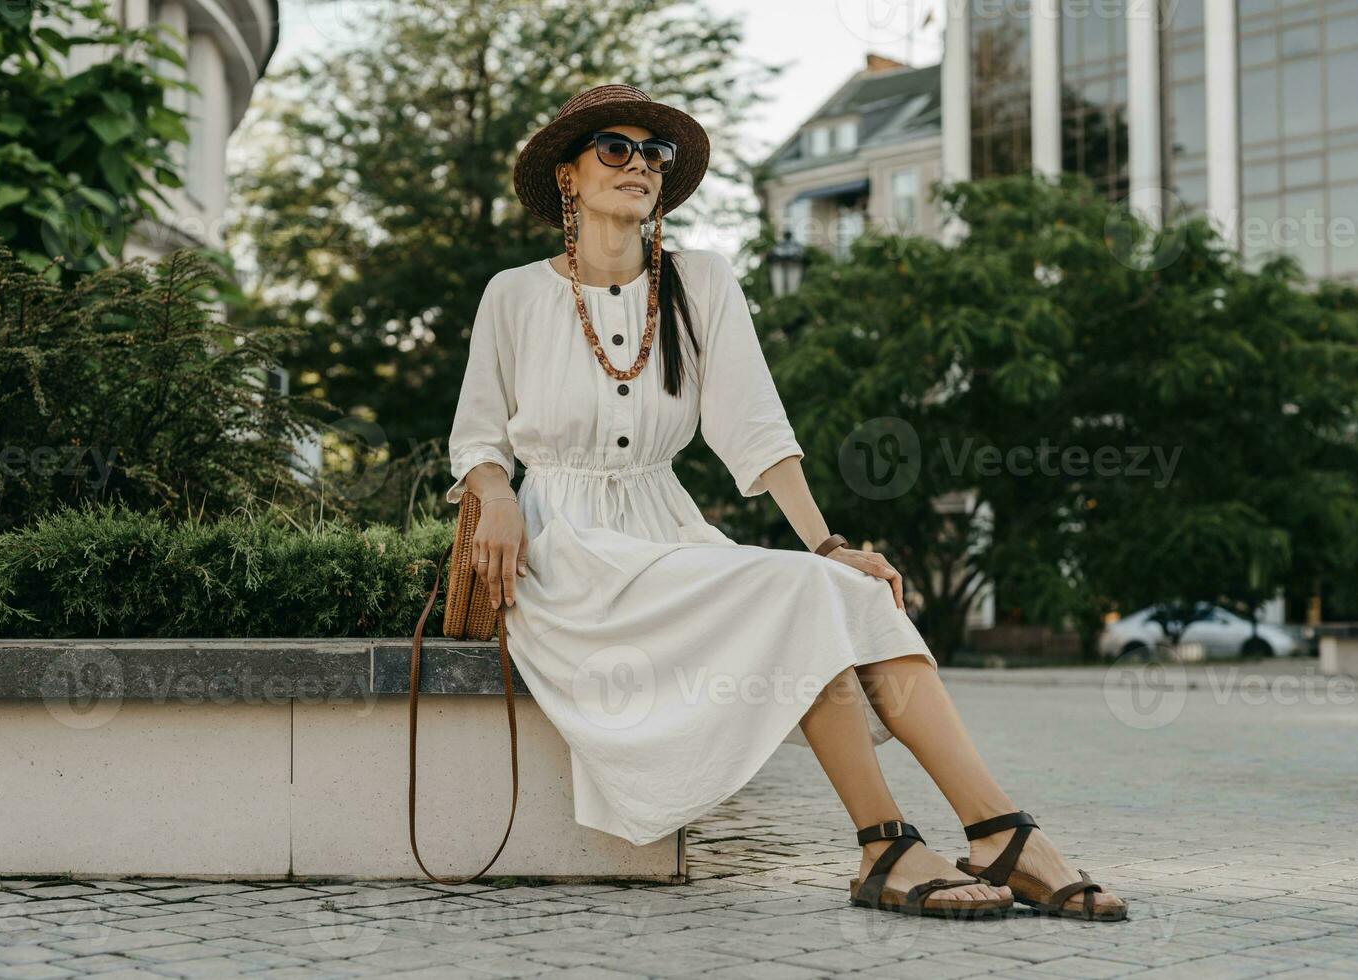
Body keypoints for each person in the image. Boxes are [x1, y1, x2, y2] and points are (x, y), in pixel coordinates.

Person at [445, 84, 1126, 921]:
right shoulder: (512, 295)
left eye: (653, 154)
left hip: (667, 531)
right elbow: (478, 441)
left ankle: (997, 832)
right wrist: (497, 495)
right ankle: (887, 844)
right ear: (568, 176)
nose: (639, 166)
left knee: (844, 590)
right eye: (614, 149)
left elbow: (756, 427)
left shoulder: (702, 282)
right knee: (798, 597)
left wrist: (827, 542)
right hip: (570, 556)